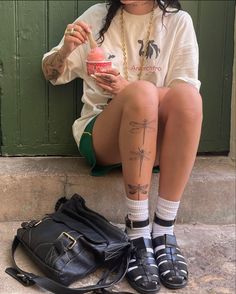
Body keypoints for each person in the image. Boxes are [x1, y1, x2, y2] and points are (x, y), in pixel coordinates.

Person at [42, 0, 202, 293]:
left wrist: (127, 87)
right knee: (141, 94)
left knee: (189, 98)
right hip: (104, 136)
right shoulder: (98, 16)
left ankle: (164, 230)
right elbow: (51, 73)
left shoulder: (178, 22)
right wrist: (65, 50)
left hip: (155, 144)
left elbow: (184, 92)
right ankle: (138, 233)